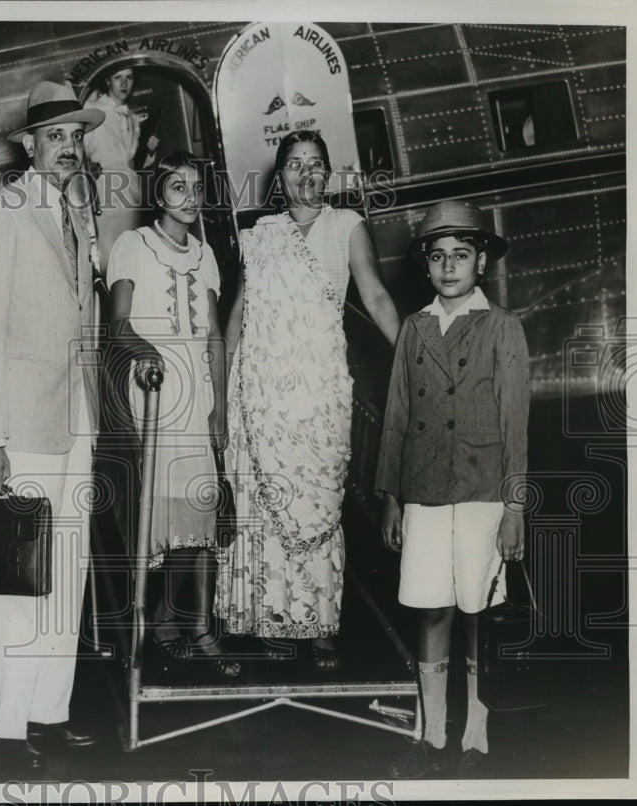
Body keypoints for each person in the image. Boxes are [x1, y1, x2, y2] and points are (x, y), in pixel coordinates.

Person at [0, 80, 105, 770]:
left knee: (65, 571)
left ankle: (48, 711)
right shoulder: (2, 214)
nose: (69, 149)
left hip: (74, 420)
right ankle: (0, 726)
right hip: (20, 427)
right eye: (56, 137)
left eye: (76, 138)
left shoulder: (77, 214)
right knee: (15, 577)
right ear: (29, 145)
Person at [214, 130, 399, 668]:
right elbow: (236, 319)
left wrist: (418, 349)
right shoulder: (260, 235)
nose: (307, 173)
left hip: (318, 394)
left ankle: (317, 625)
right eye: (296, 164)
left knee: (318, 502)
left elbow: (377, 296)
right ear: (280, 176)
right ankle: (266, 620)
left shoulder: (348, 227)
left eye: (317, 164)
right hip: (261, 392)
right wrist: (222, 397)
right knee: (261, 507)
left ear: (329, 173)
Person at [376, 200, 529, 779]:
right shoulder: (414, 329)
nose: (448, 267)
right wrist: (391, 494)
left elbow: (516, 424)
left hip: (484, 492)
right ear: (426, 265)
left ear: (480, 262)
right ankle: (433, 735)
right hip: (424, 492)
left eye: (460, 256)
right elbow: (396, 416)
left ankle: (476, 738)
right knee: (431, 608)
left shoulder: (502, 328)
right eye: (437, 257)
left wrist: (514, 506)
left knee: (477, 613)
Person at [107, 151, 239, 677]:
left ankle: (198, 625)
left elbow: (213, 336)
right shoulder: (131, 245)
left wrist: (221, 408)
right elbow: (117, 324)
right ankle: (157, 620)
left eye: (196, 187)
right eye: (177, 187)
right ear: (158, 195)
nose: (190, 196)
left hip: (199, 395)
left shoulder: (205, 254)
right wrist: (148, 353)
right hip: (157, 394)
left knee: (202, 512)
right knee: (167, 517)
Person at [84, 67, 160, 260]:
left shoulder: (132, 116)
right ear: (107, 81)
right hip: (107, 193)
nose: (124, 84)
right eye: (118, 77)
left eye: (129, 77)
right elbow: (79, 148)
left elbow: (132, 161)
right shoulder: (91, 109)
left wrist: (149, 151)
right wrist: (88, 168)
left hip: (131, 195)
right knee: (111, 255)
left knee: (132, 255)